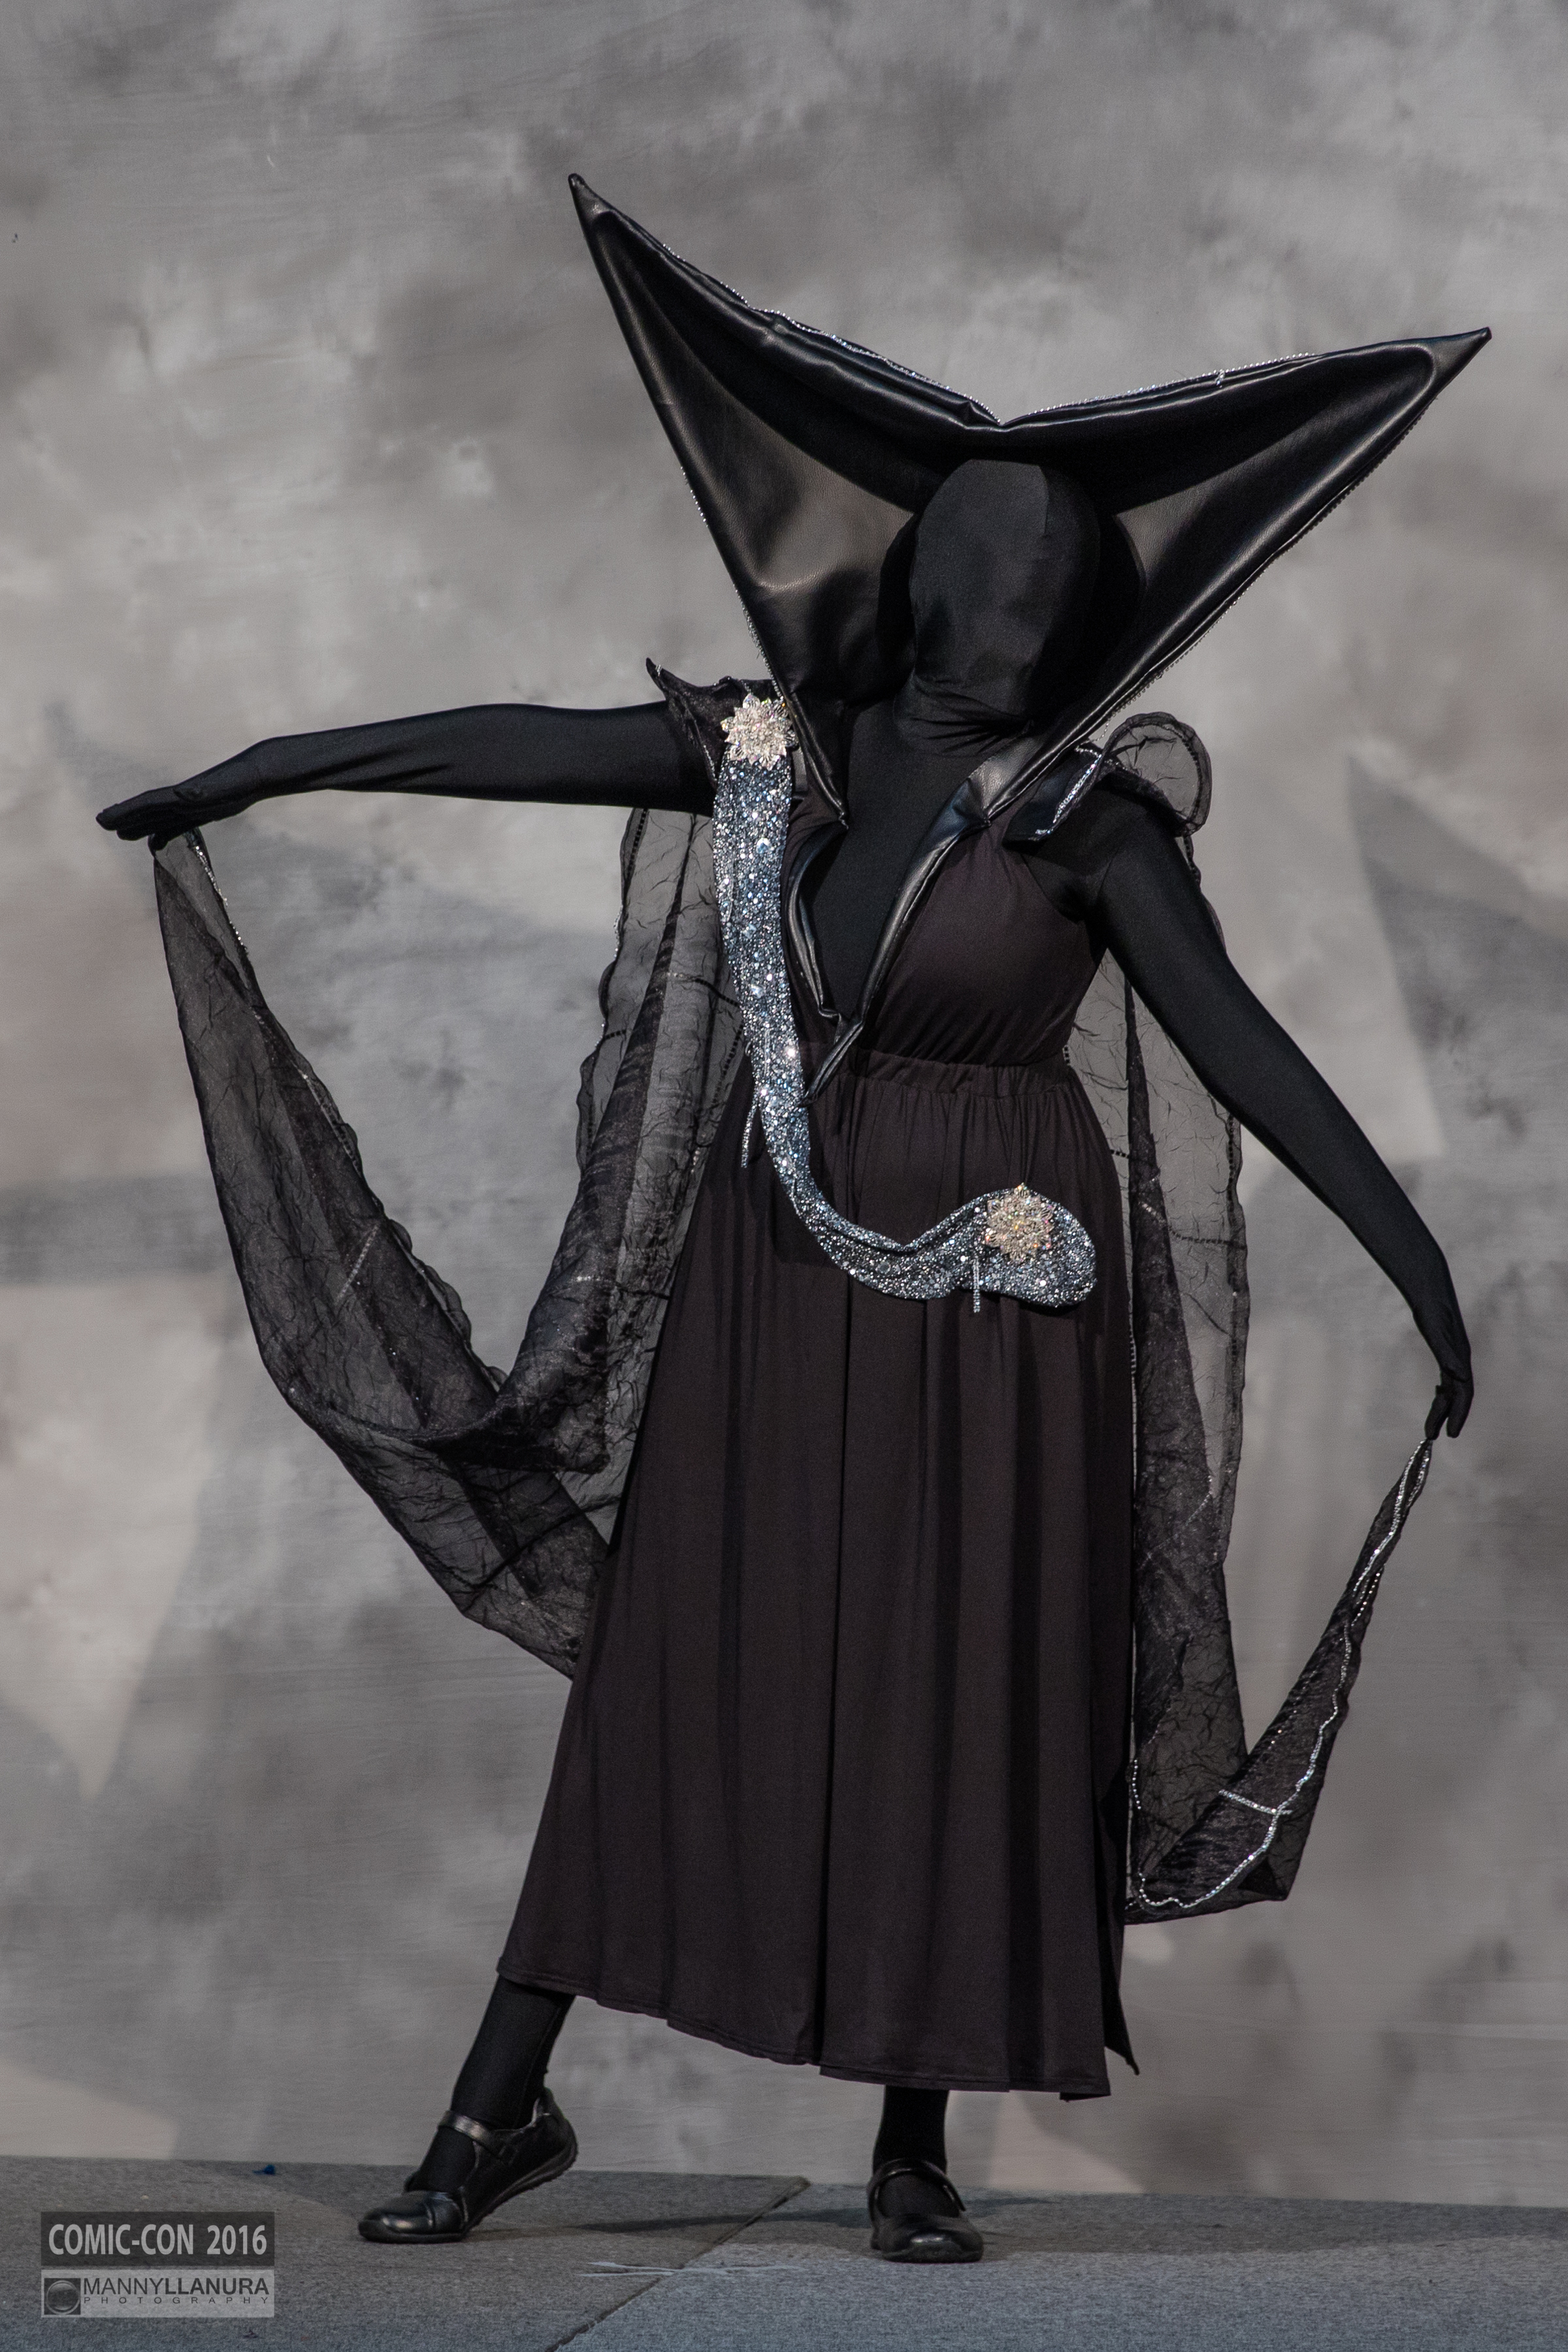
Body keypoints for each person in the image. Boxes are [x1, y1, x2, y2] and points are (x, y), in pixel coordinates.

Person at [98, 186, 1478, 2265]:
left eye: (1048, 590)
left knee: (961, 1681)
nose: (1010, 617)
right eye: (982, 574)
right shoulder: (783, 754)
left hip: (1003, 1284)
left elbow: (1250, 1054)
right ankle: (497, 2110)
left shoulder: (1089, 823)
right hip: (778, 1269)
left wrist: (1417, 1259)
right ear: (921, 586)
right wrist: (271, 766)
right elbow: (523, 745)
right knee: (678, 1660)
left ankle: (914, 2144)